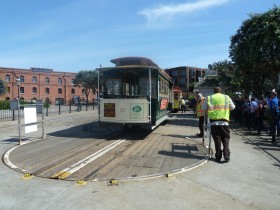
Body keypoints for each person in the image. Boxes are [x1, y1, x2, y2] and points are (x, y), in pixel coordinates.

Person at [203, 87, 235, 162]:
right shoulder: (226, 97)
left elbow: (203, 108)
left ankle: (218, 156)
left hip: (214, 122)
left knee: (217, 139)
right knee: (226, 138)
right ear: (221, 92)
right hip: (225, 122)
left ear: (214, 92)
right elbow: (233, 107)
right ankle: (226, 155)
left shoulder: (209, 98)